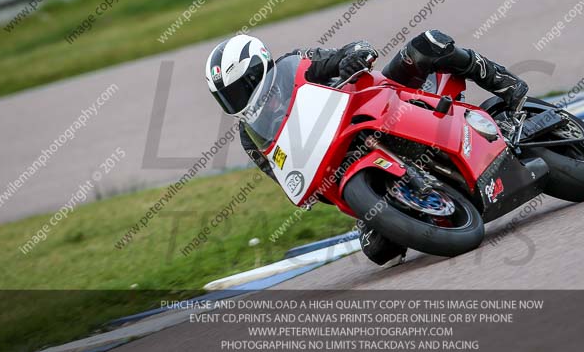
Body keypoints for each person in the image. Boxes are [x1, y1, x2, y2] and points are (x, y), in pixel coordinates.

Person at [205, 30, 528, 265]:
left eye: (237, 89)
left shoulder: (295, 64)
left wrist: (352, 58)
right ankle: (410, 197)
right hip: (344, 159)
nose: (235, 100)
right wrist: (359, 203)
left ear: (256, 69)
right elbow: (287, 174)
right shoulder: (251, 137)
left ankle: (508, 89)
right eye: (226, 97)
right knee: (378, 252)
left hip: (385, 102)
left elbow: (351, 49)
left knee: (426, 45)